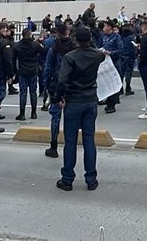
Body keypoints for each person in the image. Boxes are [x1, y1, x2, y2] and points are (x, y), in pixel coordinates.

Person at [54, 28, 105, 192]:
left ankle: (67, 179)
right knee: (89, 139)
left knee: (70, 141)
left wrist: (58, 97)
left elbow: (62, 80)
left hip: (74, 100)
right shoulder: (97, 55)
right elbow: (101, 52)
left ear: (75, 40)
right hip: (90, 99)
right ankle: (91, 179)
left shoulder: (70, 57)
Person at [42, 22, 77, 158]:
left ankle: (53, 145)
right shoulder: (75, 47)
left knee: (55, 117)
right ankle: (69, 146)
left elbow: (48, 68)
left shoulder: (54, 47)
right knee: (70, 118)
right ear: (68, 32)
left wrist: (46, 85)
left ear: (57, 33)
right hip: (72, 86)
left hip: (56, 85)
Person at [12, 29, 43, 120]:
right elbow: (42, 50)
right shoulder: (35, 45)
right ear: (30, 35)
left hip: (22, 70)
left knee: (23, 93)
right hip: (33, 70)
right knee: (33, 92)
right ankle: (33, 113)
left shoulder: (17, 45)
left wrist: (14, 71)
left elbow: (13, 59)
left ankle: (22, 114)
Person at [99, 22, 123, 114]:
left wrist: (111, 53)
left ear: (110, 27)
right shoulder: (103, 37)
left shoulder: (116, 37)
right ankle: (108, 100)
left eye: (105, 26)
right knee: (107, 82)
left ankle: (112, 104)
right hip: (105, 63)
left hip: (114, 63)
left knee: (113, 83)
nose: (104, 28)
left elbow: (121, 50)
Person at [119, 25, 137, 96]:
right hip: (129, 57)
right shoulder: (131, 38)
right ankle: (128, 88)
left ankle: (120, 89)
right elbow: (133, 48)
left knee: (121, 73)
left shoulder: (122, 37)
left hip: (123, 57)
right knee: (128, 73)